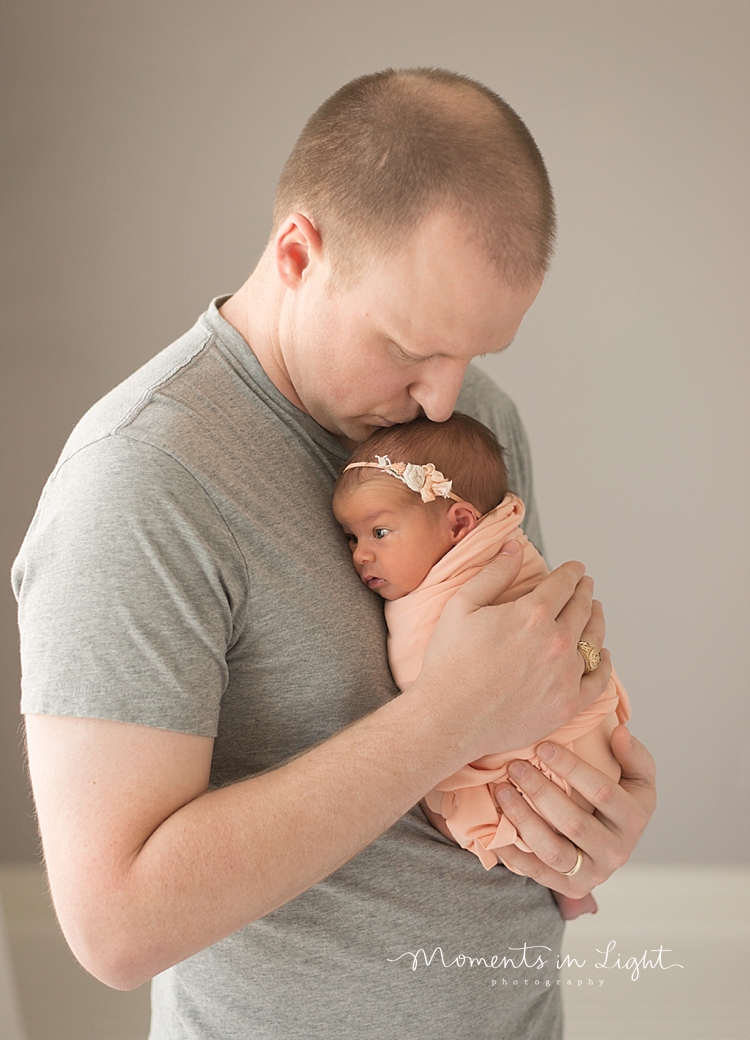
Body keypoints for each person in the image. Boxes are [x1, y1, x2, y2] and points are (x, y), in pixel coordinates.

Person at [13, 68, 656, 1039]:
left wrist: (591, 820)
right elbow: (115, 922)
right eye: (408, 347)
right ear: (300, 252)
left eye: (471, 353)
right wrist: (446, 717)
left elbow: (523, 709)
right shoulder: (140, 479)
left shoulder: (475, 420)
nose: (443, 399)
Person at [333, 412, 631, 921]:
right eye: (352, 539)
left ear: (462, 525)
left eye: (380, 532)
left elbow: (538, 639)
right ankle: (571, 890)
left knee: (486, 807)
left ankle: (571, 886)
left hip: (554, 758)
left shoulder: (490, 556)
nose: (361, 555)